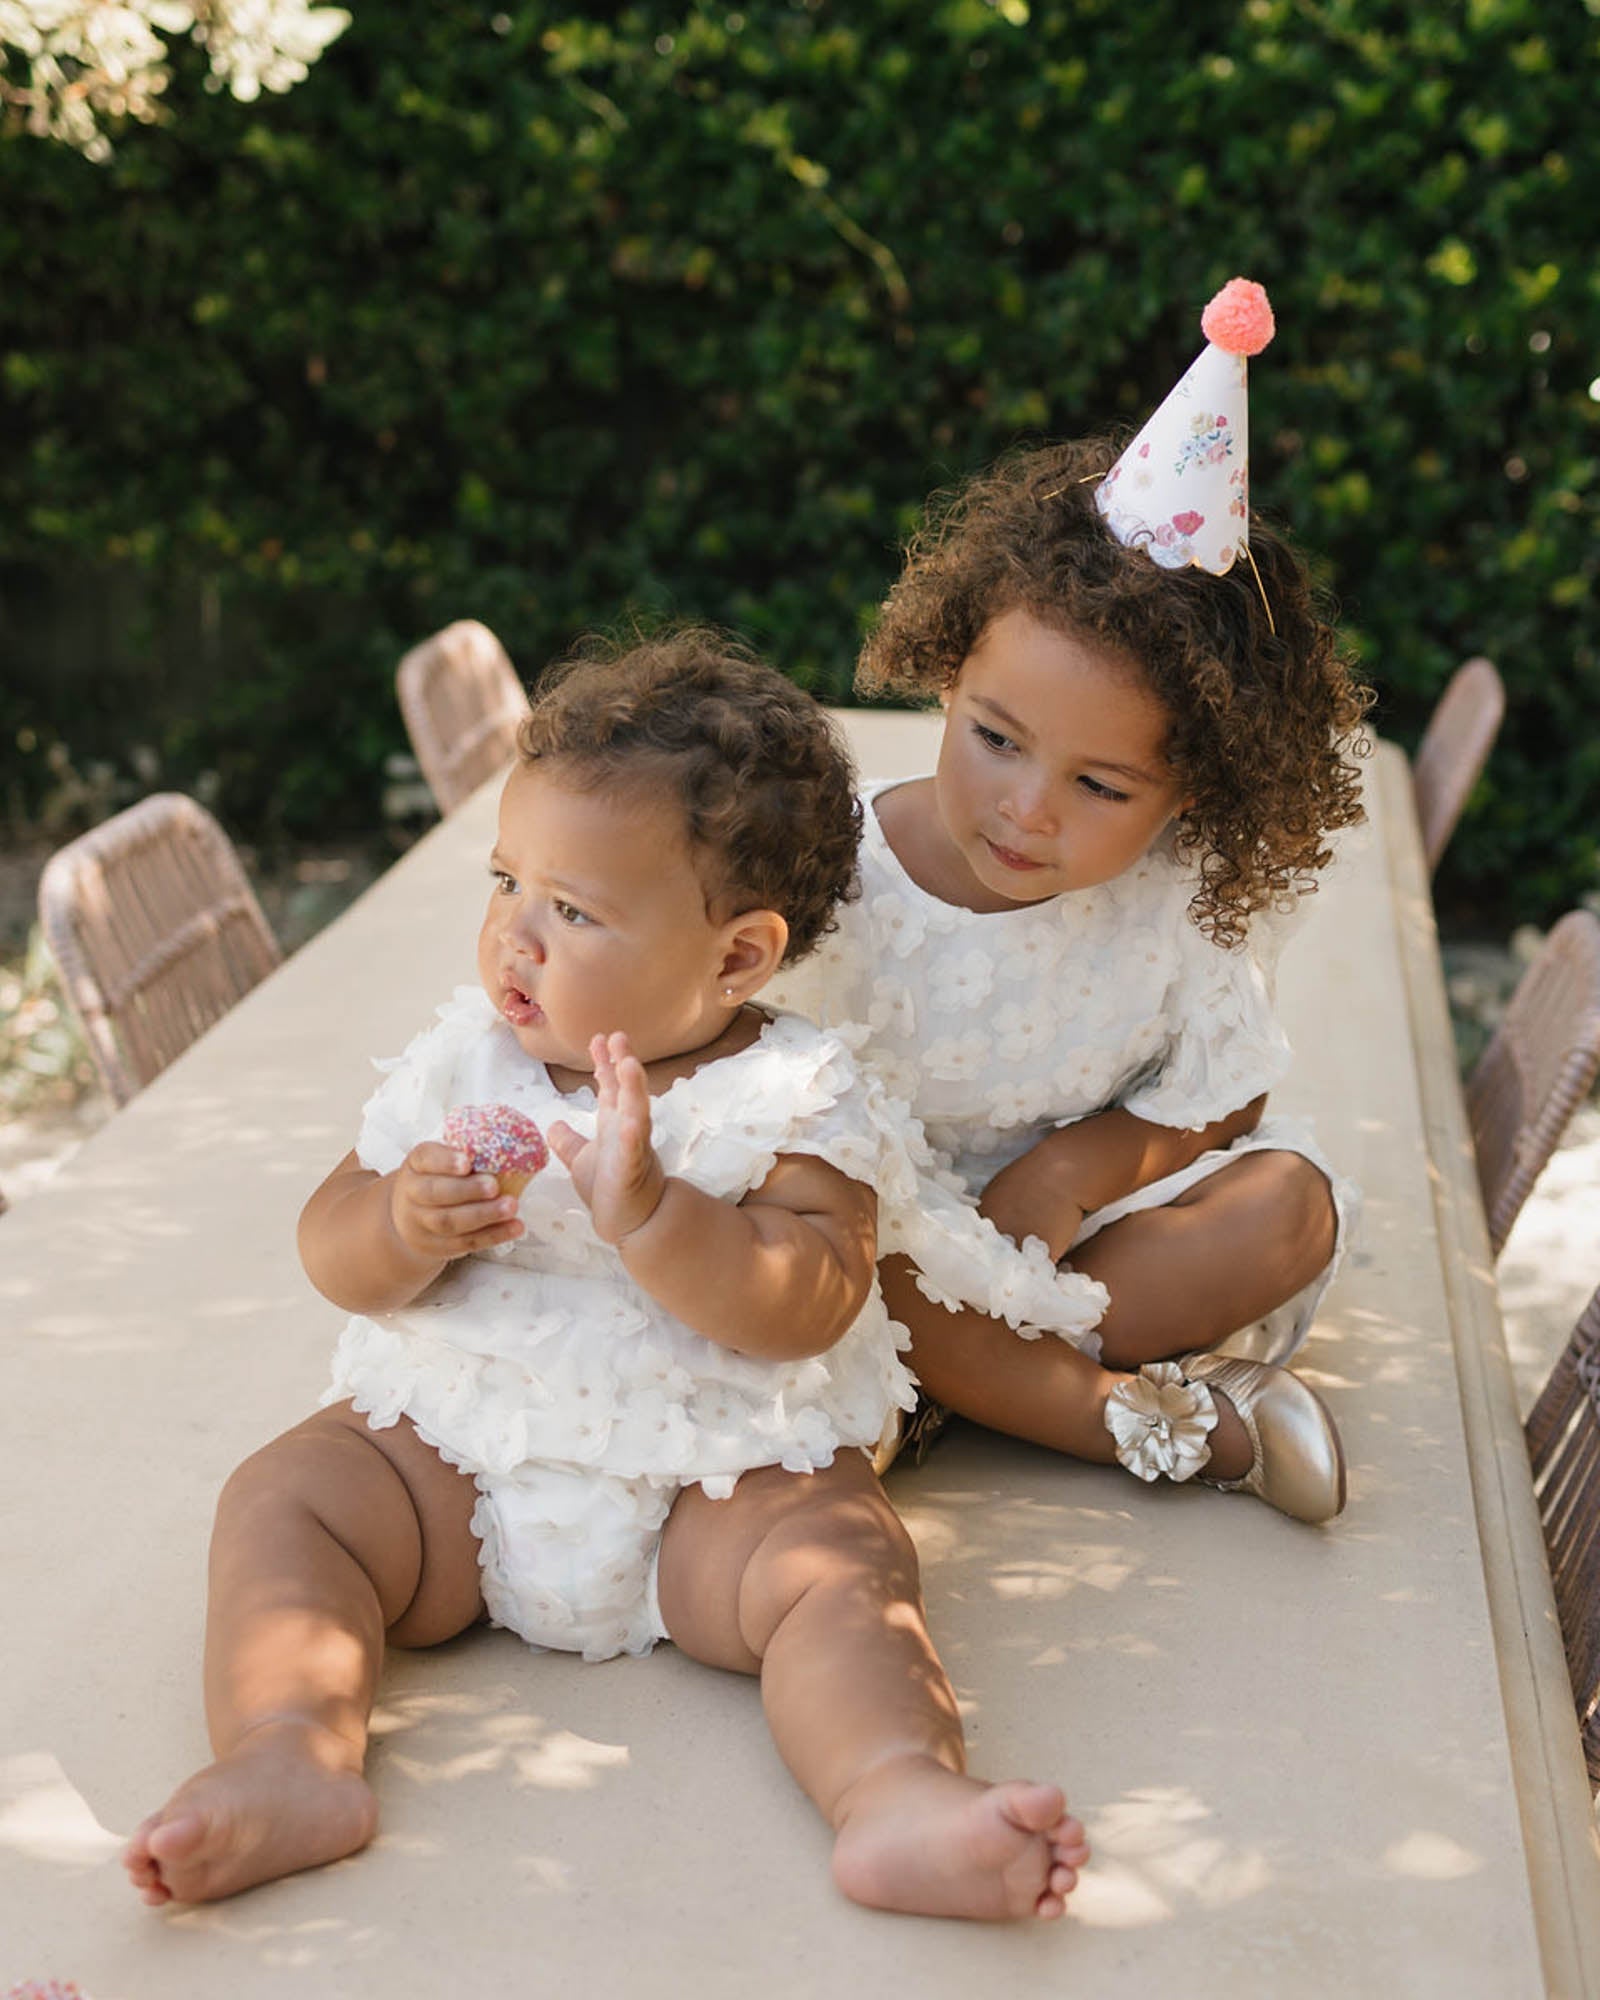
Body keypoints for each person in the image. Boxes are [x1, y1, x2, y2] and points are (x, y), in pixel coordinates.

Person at [122, 632, 1091, 1923]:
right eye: (506, 881)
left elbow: (812, 1294)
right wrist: (400, 1224)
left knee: (844, 1565)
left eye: (571, 911)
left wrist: (656, 1217)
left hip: (714, 1489)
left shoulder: (796, 1092)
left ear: (738, 958)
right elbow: (329, 1247)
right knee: (284, 1496)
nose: (513, 937)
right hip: (454, 1461)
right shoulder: (466, 1061)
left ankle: (895, 1792)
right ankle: (290, 1750)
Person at [768, 284, 1370, 1522]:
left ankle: (955, 1391)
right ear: (946, 671)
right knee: (864, 1273)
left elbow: (1227, 1085)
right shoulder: (827, 871)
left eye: (1100, 783)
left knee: (1290, 1202)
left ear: (1191, 798)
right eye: (995, 737)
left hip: (1072, 1248)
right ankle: (1144, 1424)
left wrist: (1086, 1163)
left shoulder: (1164, 905)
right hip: (868, 1246)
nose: (1026, 808)